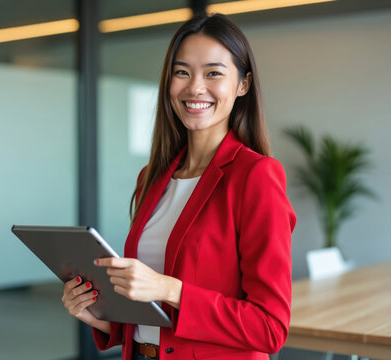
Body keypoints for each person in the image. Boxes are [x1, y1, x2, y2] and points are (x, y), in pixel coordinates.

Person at [62, 13, 296, 360]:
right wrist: (96, 316)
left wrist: (169, 288)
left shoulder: (255, 175)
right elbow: (152, 317)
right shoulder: (152, 178)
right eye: (182, 72)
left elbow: (269, 327)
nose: (194, 87)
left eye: (213, 73)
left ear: (243, 85)